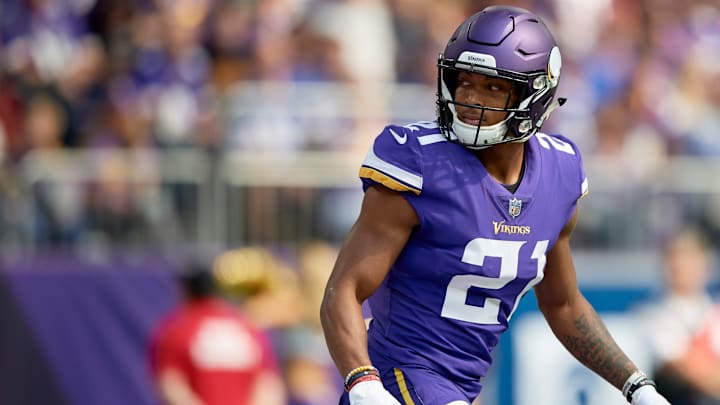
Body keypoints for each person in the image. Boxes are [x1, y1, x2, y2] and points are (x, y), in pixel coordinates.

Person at [319, 5, 672, 405]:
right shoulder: (418, 162)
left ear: (536, 95)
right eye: (463, 82)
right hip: (399, 375)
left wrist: (637, 386)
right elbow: (343, 289)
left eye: (493, 87)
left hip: (462, 387)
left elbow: (563, 303)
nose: (470, 99)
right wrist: (363, 382)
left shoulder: (560, 172)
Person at [148, 260, 286, 405]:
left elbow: (171, 385)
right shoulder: (247, 328)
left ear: (186, 291)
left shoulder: (176, 329)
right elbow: (268, 386)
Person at [640, 230, 720, 404]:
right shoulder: (655, 316)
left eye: (692, 260)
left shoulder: (714, 313)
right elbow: (692, 370)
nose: (684, 268)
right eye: (678, 260)